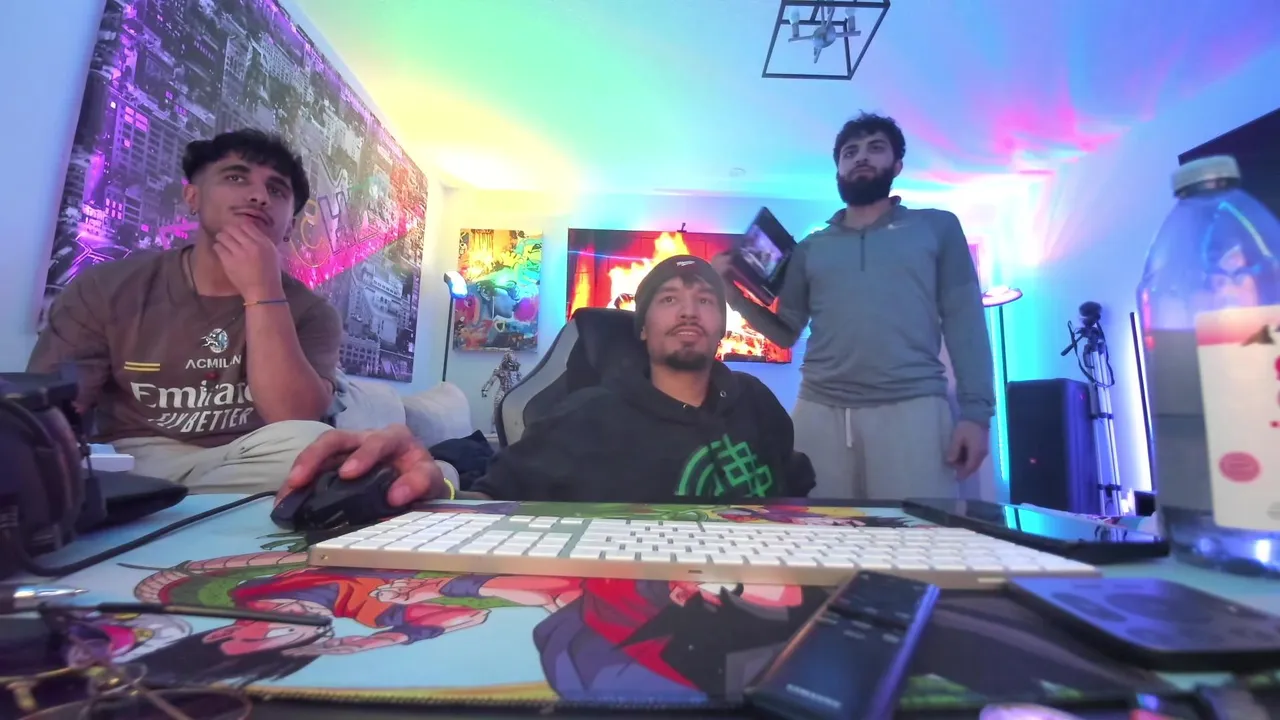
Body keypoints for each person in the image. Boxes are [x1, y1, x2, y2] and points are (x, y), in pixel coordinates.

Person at [280, 255, 814, 507]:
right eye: (669, 299)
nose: (689, 311)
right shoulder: (588, 417)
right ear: (642, 328)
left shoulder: (759, 405)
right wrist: (436, 484)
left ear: (722, 326)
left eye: (705, 300)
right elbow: (489, 496)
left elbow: (792, 496)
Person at [28, 129, 342, 493]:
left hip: (249, 454)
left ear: (290, 226)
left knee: (314, 446)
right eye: (236, 178)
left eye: (276, 190)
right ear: (193, 197)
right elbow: (50, 409)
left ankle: (167, 508)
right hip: (137, 455)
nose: (259, 196)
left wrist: (263, 290)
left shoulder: (313, 312)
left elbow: (295, 419)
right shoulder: (106, 287)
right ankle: (191, 506)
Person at [712, 112, 995, 501]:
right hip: (819, 410)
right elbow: (786, 332)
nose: (861, 156)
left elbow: (966, 320)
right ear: (838, 170)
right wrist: (731, 294)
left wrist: (977, 415)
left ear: (897, 165)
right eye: (850, 152)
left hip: (913, 410)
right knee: (813, 531)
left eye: (875, 148)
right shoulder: (811, 248)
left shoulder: (937, 227)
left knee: (917, 534)